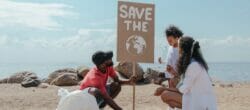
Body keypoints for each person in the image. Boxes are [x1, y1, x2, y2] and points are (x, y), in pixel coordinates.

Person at [155, 36, 217, 110]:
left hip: (200, 103)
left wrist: (163, 88)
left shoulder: (194, 65)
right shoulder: (193, 62)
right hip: (196, 98)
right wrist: (174, 73)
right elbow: (185, 82)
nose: (178, 50)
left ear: (184, 50)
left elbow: (183, 89)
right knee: (172, 83)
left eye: (179, 48)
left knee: (165, 95)